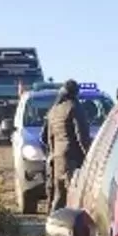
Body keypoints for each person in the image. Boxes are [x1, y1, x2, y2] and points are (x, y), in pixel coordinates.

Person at [43, 79, 92, 213]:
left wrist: (52, 155)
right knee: (74, 196)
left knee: (59, 196)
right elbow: (82, 136)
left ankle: (53, 223)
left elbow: (49, 137)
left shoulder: (54, 110)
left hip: (57, 158)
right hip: (72, 158)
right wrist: (90, 155)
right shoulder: (74, 107)